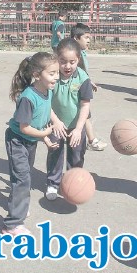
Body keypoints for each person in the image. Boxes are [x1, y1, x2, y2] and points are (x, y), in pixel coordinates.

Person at [3, 52, 60, 236]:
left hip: (30, 141)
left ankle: (18, 208)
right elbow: (25, 127)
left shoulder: (47, 91)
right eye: (52, 73)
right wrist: (44, 134)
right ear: (37, 75)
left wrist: (45, 137)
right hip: (17, 140)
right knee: (22, 179)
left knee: (23, 177)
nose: (56, 77)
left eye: (57, 73)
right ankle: (12, 225)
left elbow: (42, 115)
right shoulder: (28, 97)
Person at [45, 38, 93, 201]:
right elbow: (45, 102)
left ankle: (73, 184)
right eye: (63, 61)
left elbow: (85, 106)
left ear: (78, 60)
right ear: (56, 59)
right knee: (55, 153)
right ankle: (53, 182)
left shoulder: (83, 78)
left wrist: (79, 129)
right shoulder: (52, 76)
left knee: (76, 157)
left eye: (72, 62)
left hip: (75, 126)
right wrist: (56, 121)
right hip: (55, 123)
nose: (67, 66)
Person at [70, 22, 108, 151]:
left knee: (84, 114)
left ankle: (89, 139)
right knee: (85, 114)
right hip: (75, 89)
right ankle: (92, 141)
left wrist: (88, 81)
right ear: (76, 38)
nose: (89, 40)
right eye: (86, 37)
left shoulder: (81, 52)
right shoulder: (73, 55)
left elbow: (82, 72)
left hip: (81, 85)